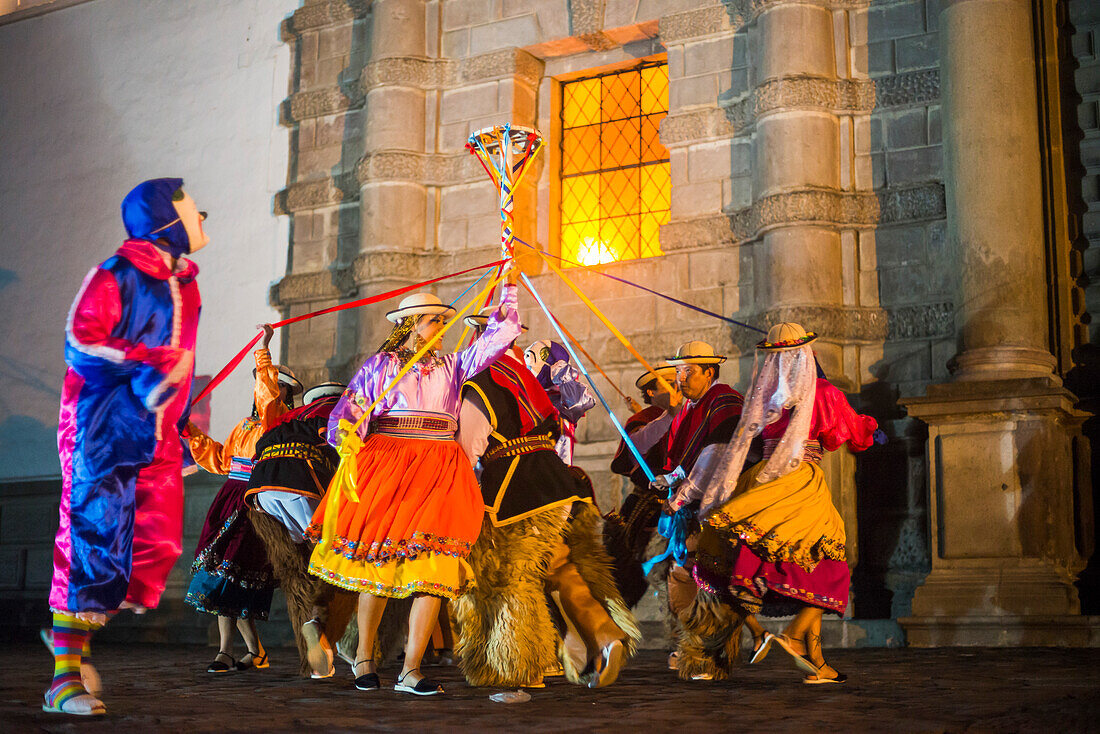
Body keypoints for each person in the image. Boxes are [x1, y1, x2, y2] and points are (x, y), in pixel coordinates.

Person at [306, 272, 522, 696]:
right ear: (410, 326)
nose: (441, 332)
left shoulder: (455, 365)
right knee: (381, 567)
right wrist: (346, 437)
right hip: (388, 466)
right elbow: (346, 416)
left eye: (442, 325)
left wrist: (509, 287)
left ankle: (411, 670)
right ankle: (364, 657)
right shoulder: (379, 367)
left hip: (440, 468)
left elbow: (499, 337)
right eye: (433, 324)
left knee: (435, 570)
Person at [44, 178, 206, 716]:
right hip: (103, 430)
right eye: (194, 210)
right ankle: (63, 677)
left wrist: (178, 423)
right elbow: (82, 343)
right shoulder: (116, 274)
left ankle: (73, 639)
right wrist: (151, 366)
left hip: (156, 437)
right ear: (166, 220)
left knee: (152, 551)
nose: (203, 219)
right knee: (92, 545)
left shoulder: (187, 286)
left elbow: (176, 373)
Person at [671, 323, 880, 683]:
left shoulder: (763, 398)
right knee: (829, 563)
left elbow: (740, 443)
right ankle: (794, 636)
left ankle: (812, 661)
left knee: (747, 569)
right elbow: (847, 434)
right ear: (805, 354)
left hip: (760, 483)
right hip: (800, 484)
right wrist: (870, 429)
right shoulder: (823, 392)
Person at [453, 309, 640, 689]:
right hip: (558, 484)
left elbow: (468, 449)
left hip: (516, 490)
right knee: (558, 566)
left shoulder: (480, 384)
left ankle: (522, 670)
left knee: (512, 577)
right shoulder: (526, 378)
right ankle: (604, 635)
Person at [621, 341, 770, 674]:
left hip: (717, 507)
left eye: (687, 372)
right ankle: (699, 654)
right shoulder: (694, 407)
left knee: (702, 580)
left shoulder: (725, 402)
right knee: (684, 578)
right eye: (677, 372)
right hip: (692, 507)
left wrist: (679, 496)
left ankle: (709, 656)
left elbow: (715, 457)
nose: (680, 379)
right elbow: (689, 459)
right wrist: (669, 479)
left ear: (710, 372)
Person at [183, 327, 301, 673]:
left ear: (283, 394)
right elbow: (220, 459)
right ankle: (250, 651)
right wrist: (189, 431)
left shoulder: (277, 422)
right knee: (225, 577)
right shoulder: (244, 426)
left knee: (232, 576)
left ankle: (225, 652)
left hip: (252, 505)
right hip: (229, 501)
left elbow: (267, 398)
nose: (262, 390)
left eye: (270, 385)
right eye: (264, 383)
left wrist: (263, 350)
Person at [243, 381, 358, 679]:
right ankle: (333, 633)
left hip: (260, 495)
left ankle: (313, 645)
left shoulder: (287, 418)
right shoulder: (340, 411)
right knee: (335, 562)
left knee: (296, 576)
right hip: (302, 483)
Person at [604, 363, 679, 608]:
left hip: (687, 499)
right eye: (667, 383)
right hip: (650, 503)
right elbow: (640, 445)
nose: (676, 386)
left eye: (675, 380)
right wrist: (660, 415)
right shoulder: (642, 420)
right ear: (651, 394)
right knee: (627, 567)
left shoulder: (691, 411)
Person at [523, 339, 596, 465]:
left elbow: (580, 402)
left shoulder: (564, 399)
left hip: (555, 470)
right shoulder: (528, 398)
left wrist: (562, 375)